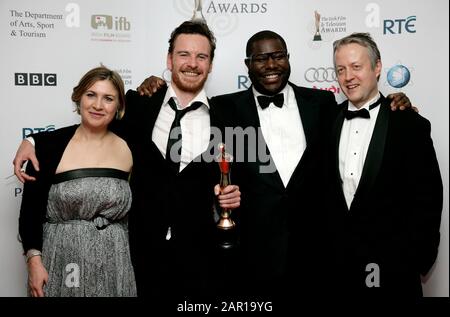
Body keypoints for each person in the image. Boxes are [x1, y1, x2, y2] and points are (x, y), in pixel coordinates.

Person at [136, 30, 413, 296]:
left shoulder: (322, 103)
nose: (271, 64)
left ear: (289, 59)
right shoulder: (223, 109)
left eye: (279, 56)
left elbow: (366, 115)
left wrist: (396, 103)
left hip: (318, 256)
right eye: (260, 58)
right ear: (247, 65)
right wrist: (155, 85)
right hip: (250, 260)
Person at [14, 21, 240, 297]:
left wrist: (229, 198)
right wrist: (33, 140)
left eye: (201, 56)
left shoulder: (227, 120)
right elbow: (90, 127)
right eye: (184, 54)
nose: (192, 63)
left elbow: (238, 184)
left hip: (199, 257)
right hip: (136, 256)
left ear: (211, 64)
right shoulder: (138, 105)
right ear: (169, 59)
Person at [327, 32, 442, 297]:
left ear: (377, 67)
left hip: (393, 271)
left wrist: (413, 262)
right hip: (338, 270)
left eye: (357, 67)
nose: (348, 77)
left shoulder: (410, 125)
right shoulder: (327, 120)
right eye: (341, 69)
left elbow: (428, 199)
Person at [18, 66, 136, 297]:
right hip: (61, 260)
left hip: (116, 263)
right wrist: (34, 262)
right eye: (91, 95)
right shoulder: (47, 147)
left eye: (108, 98)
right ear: (79, 98)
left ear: (119, 106)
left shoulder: (131, 146)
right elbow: (30, 212)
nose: (98, 105)